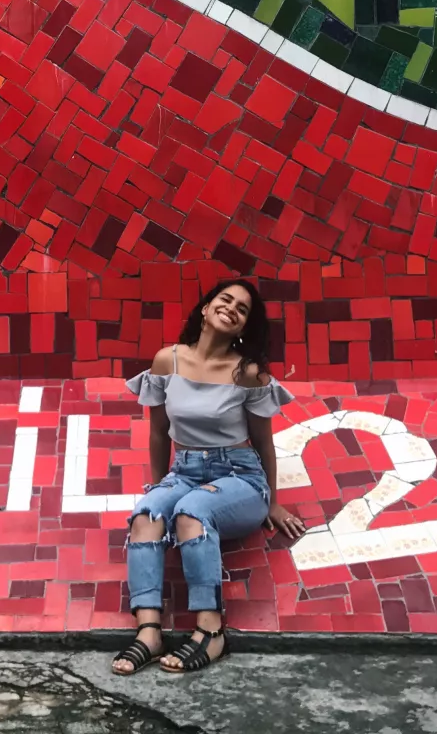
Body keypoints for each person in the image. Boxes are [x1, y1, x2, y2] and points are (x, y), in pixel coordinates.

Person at [110, 278, 309, 675]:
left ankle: (211, 632)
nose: (232, 308)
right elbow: (157, 431)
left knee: (192, 511)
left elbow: (263, 443)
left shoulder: (247, 373)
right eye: (225, 300)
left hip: (239, 476)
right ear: (205, 308)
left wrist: (271, 500)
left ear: (243, 327)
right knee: (147, 513)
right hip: (185, 471)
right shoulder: (168, 361)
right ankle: (148, 631)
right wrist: (158, 485)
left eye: (242, 309)